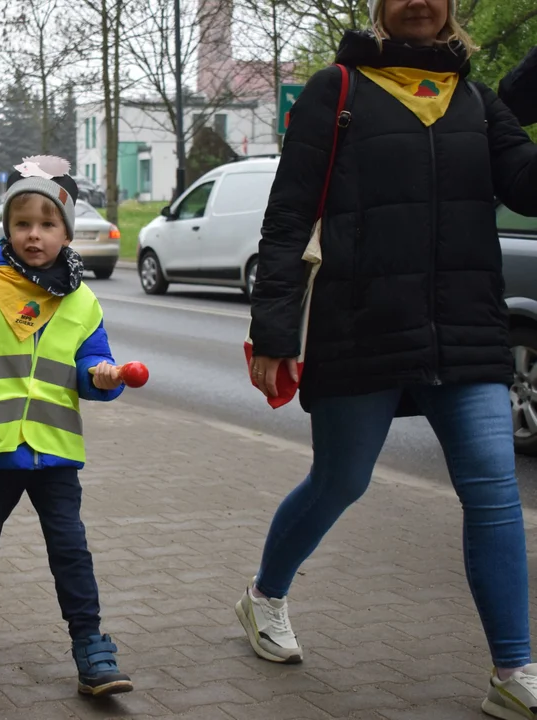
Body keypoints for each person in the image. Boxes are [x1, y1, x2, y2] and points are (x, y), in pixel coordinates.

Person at [240, 2, 537, 716]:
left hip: (465, 331)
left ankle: (512, 670)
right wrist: (274, 329)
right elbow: (286, 216)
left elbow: (525, 190)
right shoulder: (334, 90)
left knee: (494, 492)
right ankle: (264, 596)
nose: (417, 1)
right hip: (360, 325)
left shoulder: (472, 99)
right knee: (340, 480)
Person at [0, 157, 133, 698]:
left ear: (66, 230)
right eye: (23, 224)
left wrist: (103, 378)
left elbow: (91, 365)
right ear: (7, 228)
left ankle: (90, 644)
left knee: (70, 548)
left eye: (47, 224)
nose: (34, 235)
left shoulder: (82, 299)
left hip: (55, 450)